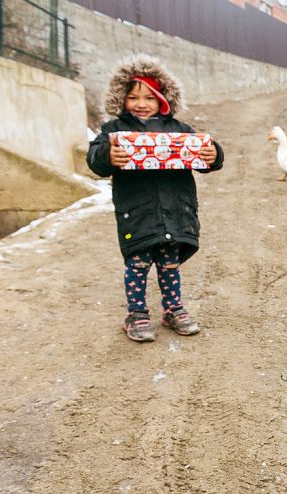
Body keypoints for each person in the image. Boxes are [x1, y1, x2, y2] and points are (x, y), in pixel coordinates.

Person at [87, 54, 223, 342]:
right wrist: (107, 155)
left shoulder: (179, 130)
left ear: (163, 99)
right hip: (137, 212)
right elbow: (95, 159)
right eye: (133, 97)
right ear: (122, 98)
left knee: (169, 264)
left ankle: (173, 308)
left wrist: (214, 154)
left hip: (174, 211)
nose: (141, 103)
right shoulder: (114, 132)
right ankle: (136, 313)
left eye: (149, 97)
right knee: (137, 264)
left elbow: (202, 154)